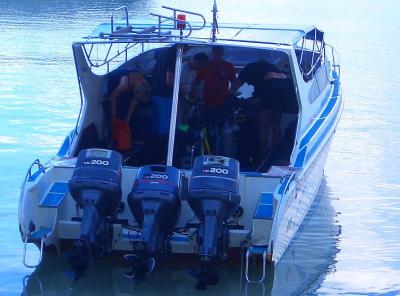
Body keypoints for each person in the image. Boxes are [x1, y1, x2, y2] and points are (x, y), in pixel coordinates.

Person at [229, 59, 288, 161]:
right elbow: (260, 96)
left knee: (263, 126)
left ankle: (262, 157)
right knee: (276, 125)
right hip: (283, 85)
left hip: (271, 84)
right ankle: (274, 157)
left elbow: (232, 90)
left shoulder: (245, 72)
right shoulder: (259, 70)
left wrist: (231, 101)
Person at [106, 68, 151, 151]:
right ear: (134, 91)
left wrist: (127, 120)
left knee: (129, 118)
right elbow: (112, 98)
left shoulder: (145, 83)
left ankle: (129, 137)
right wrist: (113, 116)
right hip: (114, 83)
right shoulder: (124, 84)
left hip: (131, 82)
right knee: (117, 113)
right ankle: (113, 140)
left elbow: (135, 101)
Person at [192, 46, 236, 124]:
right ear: (212, 53)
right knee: (206, 123)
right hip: (207, 101)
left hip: (223, 101)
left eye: (219, 52)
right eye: (215, 52)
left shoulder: (228, 66)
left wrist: (231, 96)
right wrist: (196, 97)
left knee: (221, 123)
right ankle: (185, 132)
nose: (217, 54)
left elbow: (234, 83)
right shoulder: (207, 65)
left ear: (222, 53)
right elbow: (195, 82)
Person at [151, 46, 178, 136]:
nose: (188, 50)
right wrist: (181, 89)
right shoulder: (174, 57)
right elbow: (169, 80)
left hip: (155, 92)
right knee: (165, 126)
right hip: (164, 95)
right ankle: (165, 146)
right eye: (188, 47)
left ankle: (155, 144)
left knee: (157, 122)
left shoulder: (162, 52)